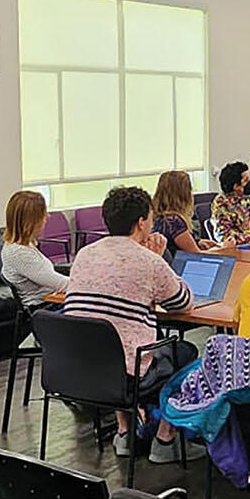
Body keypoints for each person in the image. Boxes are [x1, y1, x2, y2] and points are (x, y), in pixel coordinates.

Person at [64, 186, 201, 463]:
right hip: (126, 373)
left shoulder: (84, 255)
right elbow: (183, 303)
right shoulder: (149, 261)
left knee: (116, 339)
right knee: (186, 353)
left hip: (78, 369)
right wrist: (161, 260)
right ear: (141, 222)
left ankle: (125, 434)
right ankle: (165, 438)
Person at [0, 191, 67, 308]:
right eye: (43, 215)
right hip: (44, 308)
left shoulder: (24, 245)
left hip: (51, 302)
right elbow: (60, 284)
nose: (46, 218)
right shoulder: (18, 253)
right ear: (31, 221)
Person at [152, 170, 226, 258]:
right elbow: (197, 255)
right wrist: (224, 249)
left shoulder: (156, 217)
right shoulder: (174, 222)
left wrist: (197, 241)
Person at [210, 162, 250, 244]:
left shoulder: (244, 199)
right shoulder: (221, 204)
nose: (248, 183)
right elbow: (224, 236)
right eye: (245, 181)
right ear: (236, 186)